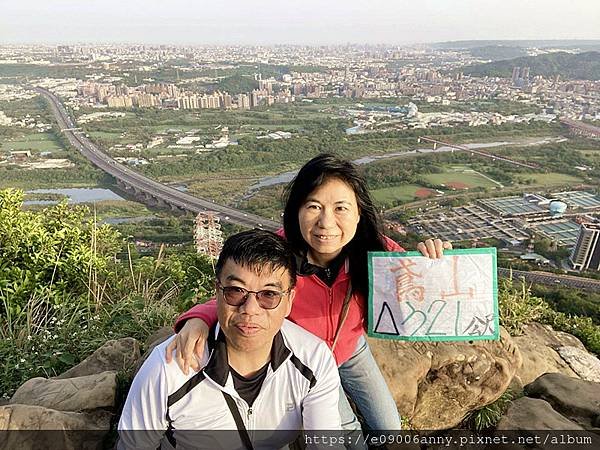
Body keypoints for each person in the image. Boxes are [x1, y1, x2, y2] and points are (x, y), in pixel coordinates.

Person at [167, 153, 451, 437]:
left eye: (341, 208)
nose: (326, 222)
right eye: (314, 206)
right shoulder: (278, 256)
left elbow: (424, 289)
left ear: (359, 213)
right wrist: (199, 319)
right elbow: (242, 293)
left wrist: (436, 263)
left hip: (351, 348)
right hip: (308, 360)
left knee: (390, 426)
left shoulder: (376, 251)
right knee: (346, 429)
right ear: (297, 211)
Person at [119, 230, 342, 450]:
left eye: (269, 295)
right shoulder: (169, 368)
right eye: (236, 291)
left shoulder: (313, 360)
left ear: (289, 300)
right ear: (217, 291)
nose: (250, 310)